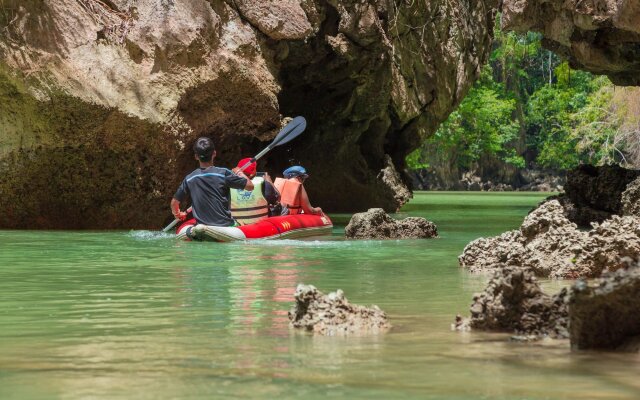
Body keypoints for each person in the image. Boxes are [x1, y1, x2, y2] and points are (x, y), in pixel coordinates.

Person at [170, 137, 253, 227]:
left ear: (196, 156)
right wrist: (239, 172)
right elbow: (250, 186)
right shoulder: (224, 173)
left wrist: (177, 214)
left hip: (201, 225)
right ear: (214, 153)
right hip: (225, 226)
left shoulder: (189, 178)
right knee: (241, 223)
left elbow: (174, 203)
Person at [229, 158, 280, 225]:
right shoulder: (264, 184)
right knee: (281, 207)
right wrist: (270, 182)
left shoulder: (229, 185)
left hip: (238, 226)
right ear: (252, 173)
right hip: (261, 225)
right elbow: (277, 198)